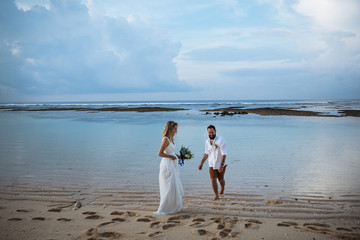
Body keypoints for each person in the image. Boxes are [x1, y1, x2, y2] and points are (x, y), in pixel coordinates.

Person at [154, 121, 184, 215]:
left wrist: (178, 156)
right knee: (168, 186)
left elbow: (170, 151)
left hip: (172, 164)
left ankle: (174, 206)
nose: (176, 131)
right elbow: (160, 153)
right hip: (167, 165)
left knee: (174, 185)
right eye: (175, 129)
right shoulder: (165, 139)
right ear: (170, 129)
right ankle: (165, 208)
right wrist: (171, 157)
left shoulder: (171, 139)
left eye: (176, 129)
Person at [198, 125, 227, 200]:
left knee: (221, 179)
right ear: (207, 132)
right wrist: (201, 163)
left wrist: (221, 165)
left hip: (221, 163)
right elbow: (206, 154)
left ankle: (222, 188)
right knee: (213, 179)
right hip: (211, 164)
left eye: (212, 132)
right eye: (209, 132)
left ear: (215, 131)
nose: (211, 134)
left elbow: (224, 154)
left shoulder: (221, 140)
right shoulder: (207, 142)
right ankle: (216, 196)